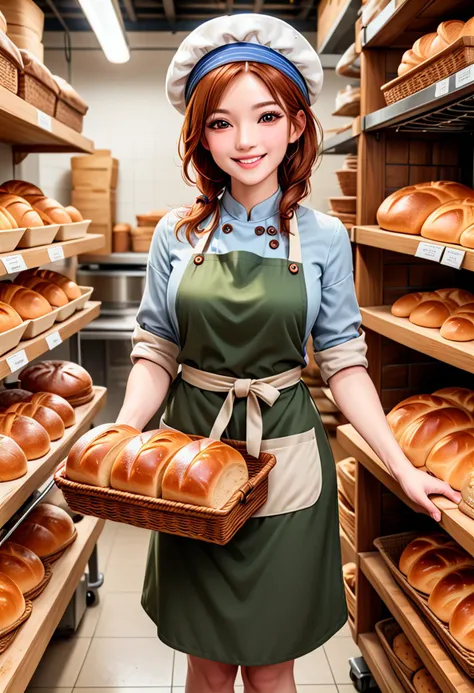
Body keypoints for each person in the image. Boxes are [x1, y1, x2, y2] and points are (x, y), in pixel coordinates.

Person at [116, 14, 461, 693]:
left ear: (298, 124)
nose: (245, 141)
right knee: (208, 665)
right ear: (200, 135)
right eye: (220, 122)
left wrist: (401, 464)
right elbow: (156, 351)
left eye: (266, 116)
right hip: (191, 458)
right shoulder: (176, 236)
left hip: (289, 460)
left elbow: (344, 362)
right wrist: (125, 439)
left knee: (274, 669)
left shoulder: (326, 237)